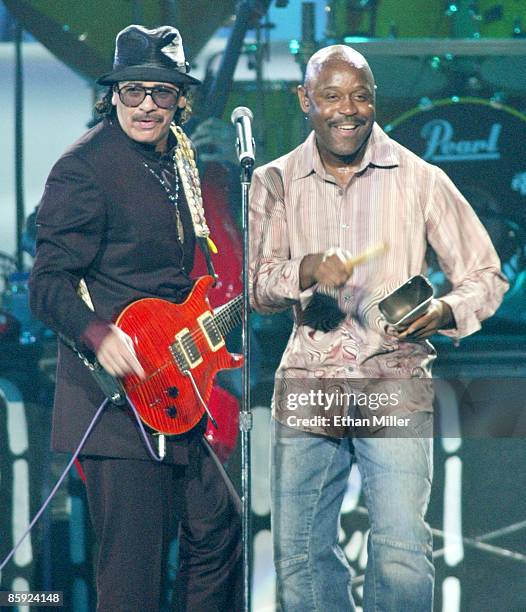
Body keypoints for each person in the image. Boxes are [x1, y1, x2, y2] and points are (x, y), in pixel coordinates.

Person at [249, 45, 508, 611]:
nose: (349, 109)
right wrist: (307, 269)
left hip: (392, 378)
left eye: (361, 96)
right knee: (299, 552)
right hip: (309, 382)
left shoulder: (420, 179)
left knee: (400, 551)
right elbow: (259, 287)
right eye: (333, 96)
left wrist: (441, 312)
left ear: (375, 101)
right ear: (305, 101)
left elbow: (486, 275)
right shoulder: (275, 181)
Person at [29, 25, 241, 612]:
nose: (148, 104)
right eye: (134, 91)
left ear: (181, 99)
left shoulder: (178, 158)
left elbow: (178, 283)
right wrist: (97, 333)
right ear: (113, 95)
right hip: (116, 406)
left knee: (220, 527)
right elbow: (45, 284)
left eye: (162, 92)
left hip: (173, 393)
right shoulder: (85, 168)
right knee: (132, 582)